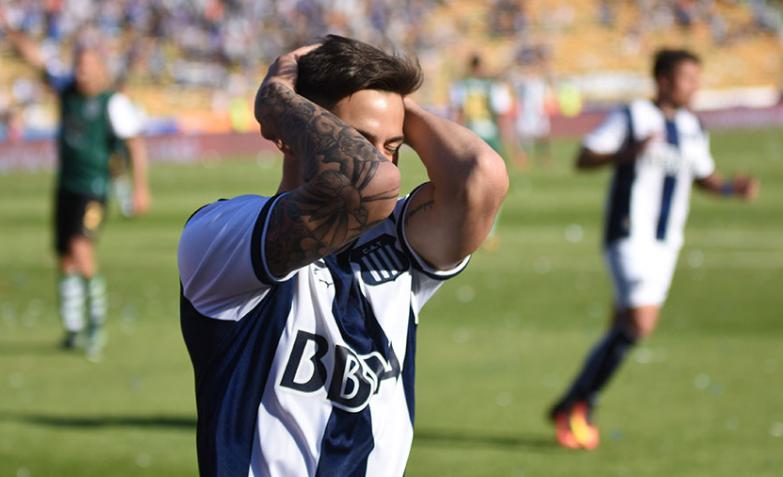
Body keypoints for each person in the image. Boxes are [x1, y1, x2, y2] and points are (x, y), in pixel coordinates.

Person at [177, 36, 508, 476]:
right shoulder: (221, 238)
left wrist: (394, 106)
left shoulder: (399, 245)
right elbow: (365, 186)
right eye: (358, 140)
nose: (385, 163)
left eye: (393, 146)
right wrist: (281, 101)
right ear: (295, 134)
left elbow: (481, 178)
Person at [548, 49, 759, 450]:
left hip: (666, 244)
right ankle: (577, 404)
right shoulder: (631, 117)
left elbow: (703, 176)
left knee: (622, 328)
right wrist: (627, 153)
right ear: (664, 80)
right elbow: (584, 157)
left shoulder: (693, 127)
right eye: (688, 78)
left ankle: (573, 404)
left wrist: (733, 188)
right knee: (641, 324)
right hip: (628, 234)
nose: (695, 86)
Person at [1, 11, 150, 360]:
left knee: (82, 252)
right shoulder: (67, 91)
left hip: (93, 188)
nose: (81, 71)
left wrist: (140, 188)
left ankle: (96, 324)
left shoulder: (112, 102)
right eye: (78, 65)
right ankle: (72, 327)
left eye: (87, 66)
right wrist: (10, 30)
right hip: (66, 186)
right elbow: (36, 61)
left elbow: (135, 144)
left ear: (100, 69)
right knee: (64, 258)